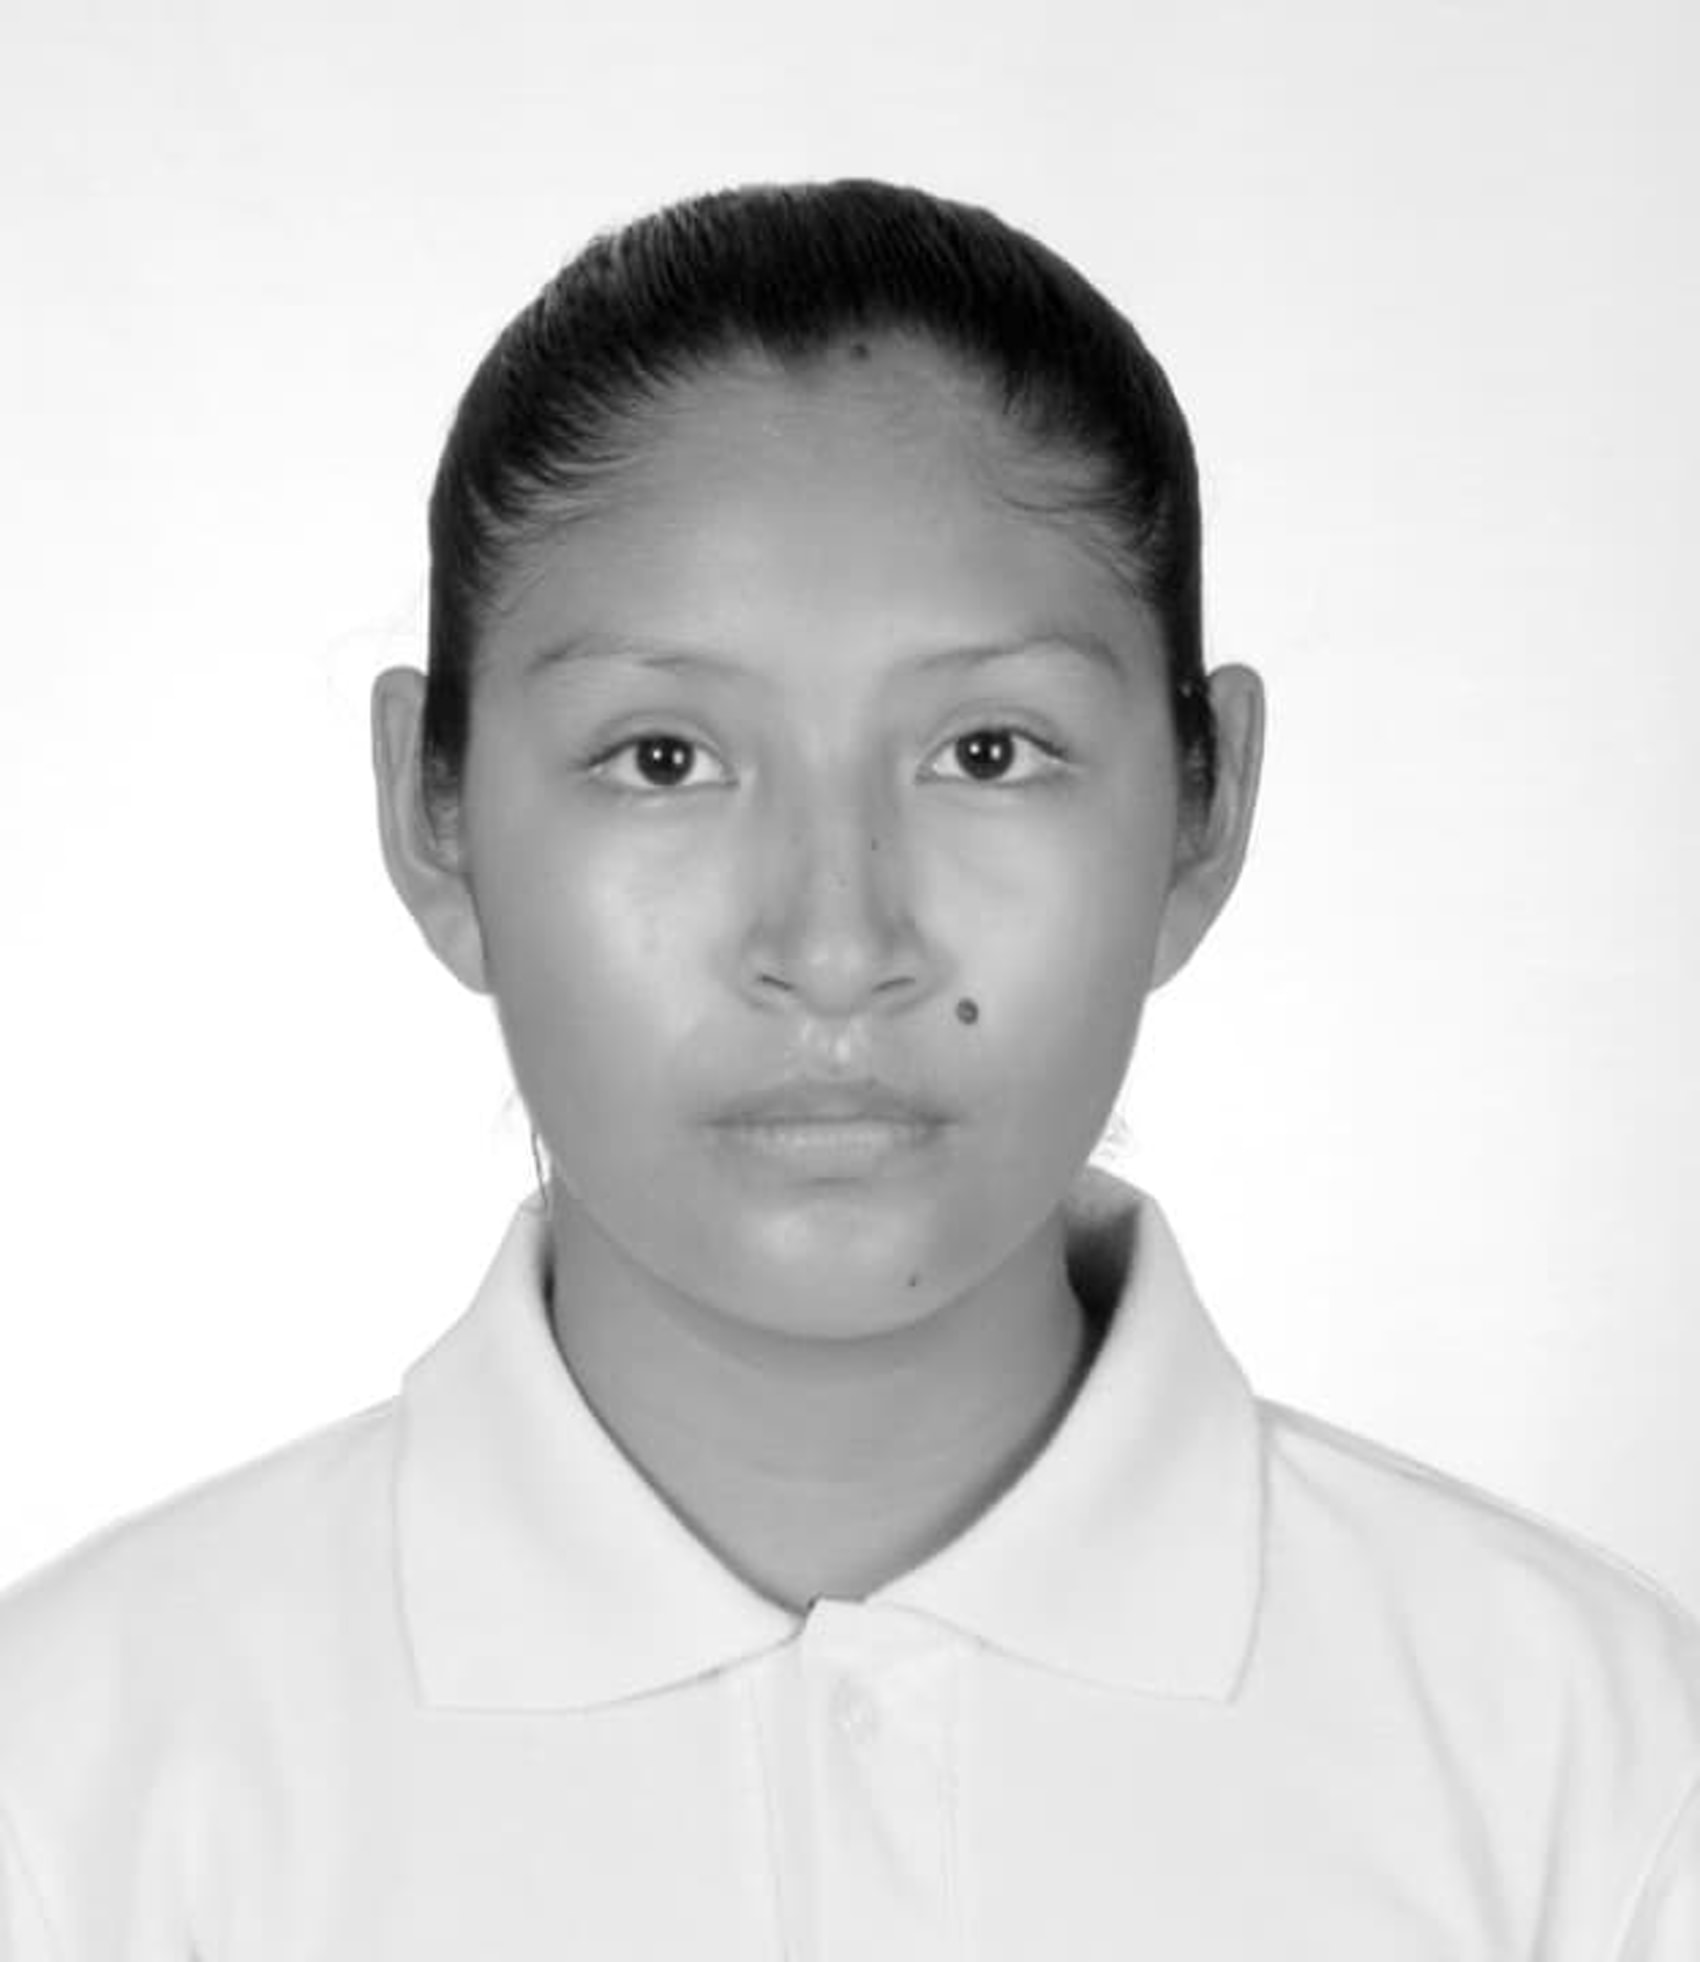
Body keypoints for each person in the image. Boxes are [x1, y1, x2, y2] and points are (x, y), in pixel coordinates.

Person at [1, 176, 1695, 1958]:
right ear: (434, 815)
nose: (833, 940)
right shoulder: (75, 1800)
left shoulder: (1595, 1789)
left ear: (1208, 806)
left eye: (988, 750)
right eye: (663, 757)